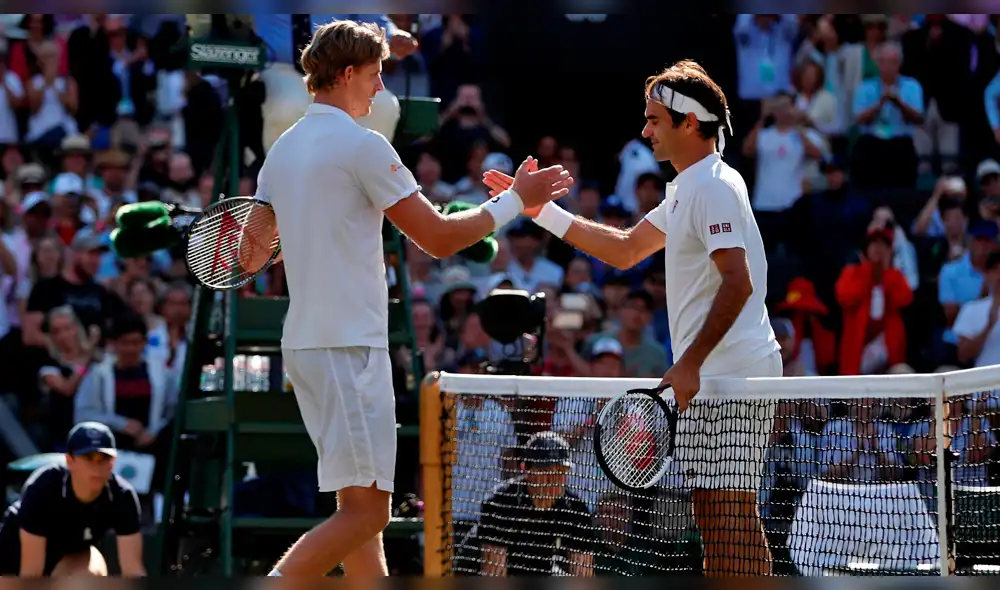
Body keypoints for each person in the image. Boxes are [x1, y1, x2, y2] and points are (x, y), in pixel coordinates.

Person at [254, 20, 573, 578]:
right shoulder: (364, 146)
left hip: (308, 350)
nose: (380, 90)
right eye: (375, 76)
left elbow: (252, 253)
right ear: (347, 73)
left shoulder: (281, 151)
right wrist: (516, 202)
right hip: (347, 348)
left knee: (355, 509)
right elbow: (440, 236)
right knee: (369, 512)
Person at [483, 59, 781, 576]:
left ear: (691, 123)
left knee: (731, 515)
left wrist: (689, 363)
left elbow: (739, 281)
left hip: (736, 372)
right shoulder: (688, 186)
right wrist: (541, 213)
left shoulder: (713, 184)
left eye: (655, 121)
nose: (645, 131)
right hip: (710, 373)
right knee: (713, 516)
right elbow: (624, 249)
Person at [0, 422, 144, 577]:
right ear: (70, 461)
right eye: (88, 458)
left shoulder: (123, 495)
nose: (96, 467)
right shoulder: (42, 488)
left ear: (113, 463)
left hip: (71, 556)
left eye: (104, 459)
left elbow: (133, 570)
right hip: (16, 555)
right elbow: (31, 573)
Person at [478, 431, 595, 576]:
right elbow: (493, 578)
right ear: (527, 470)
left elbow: (583, 577)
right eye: (546, 471)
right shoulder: (500, 505)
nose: (553, 480)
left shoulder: (576, 511)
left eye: (560, 472)